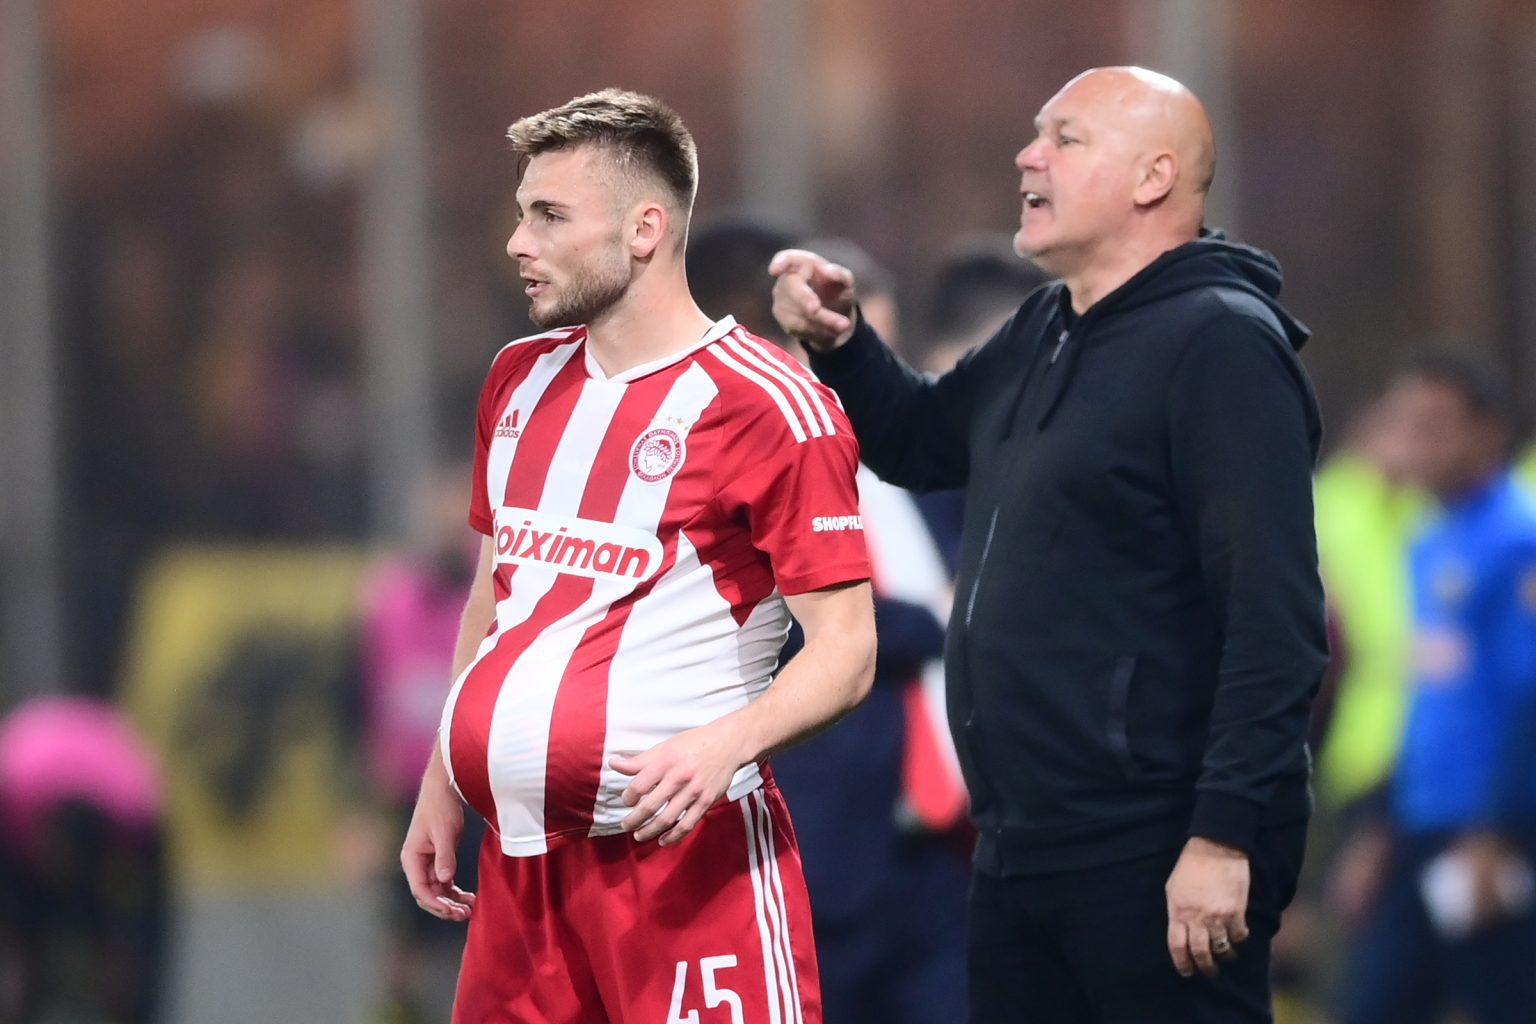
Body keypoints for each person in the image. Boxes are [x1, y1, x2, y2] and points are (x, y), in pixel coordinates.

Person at [771, 65, 1328, 1023]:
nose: (1029, 156)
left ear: (1154, 177)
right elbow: (918, 441)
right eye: (1037, 134)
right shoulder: (1048, 324)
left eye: (1066, 138)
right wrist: (844, 343)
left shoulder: (1222, 344)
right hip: (1020, 848)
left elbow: (1273, 618)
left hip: (1153, 846)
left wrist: (1225, 835)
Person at [399, 89, 876, 1024]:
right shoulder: (517, 378)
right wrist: (444, 778)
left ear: (645, 229)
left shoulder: (770, 407)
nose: (518, 242)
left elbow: (848, 649)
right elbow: (500, 593)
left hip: (684, 862)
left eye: (550, 215)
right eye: (521, 213)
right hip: (522, 870)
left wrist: (726, 744)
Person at [1336, 353, 1536, 1024]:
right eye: (1404, 423)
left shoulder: (1519, 539)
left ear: (1490, 430)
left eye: (1434, 425)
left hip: (1492, 834)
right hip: (1421, 823)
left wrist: (1496, 831)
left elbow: (1528, 694)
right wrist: (1380, 828)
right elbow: (1429, 702)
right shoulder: (1427, 538)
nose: (1414, 443)